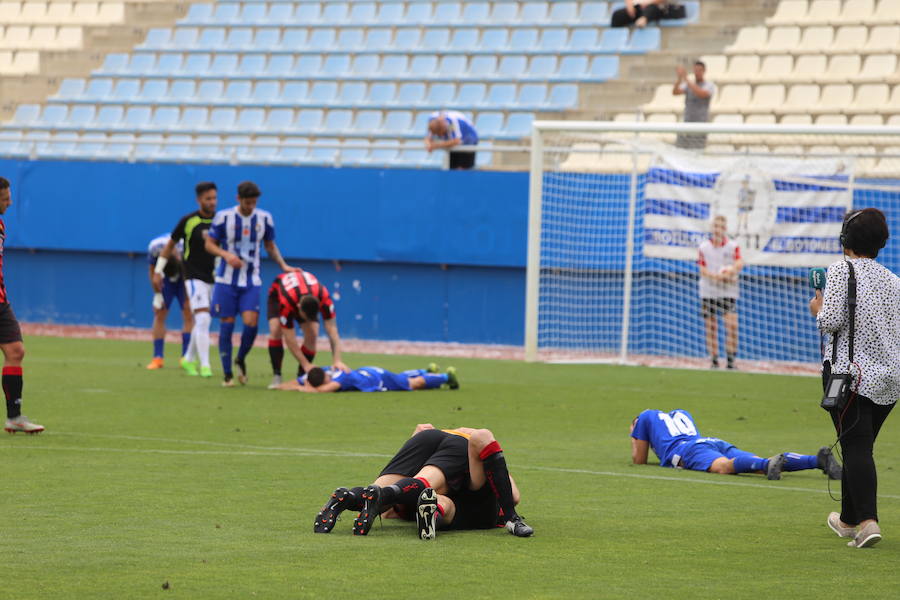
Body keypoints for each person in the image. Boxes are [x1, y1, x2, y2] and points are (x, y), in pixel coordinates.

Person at [809, 208, 900, 549]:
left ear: (845, 238)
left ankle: (867, 521)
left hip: (851, 376)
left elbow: (830, 320)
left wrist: (817, 309)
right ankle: (848, 519)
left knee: (857, 447)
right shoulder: (894, 280)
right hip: (890, 380)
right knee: (857, 446)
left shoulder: (840, 270)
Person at [313, 424, 533, 539]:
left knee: (383, 489)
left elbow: (389, 512)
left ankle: (350, 497)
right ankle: (513, 520)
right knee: (425, 485)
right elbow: (512, 495)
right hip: (461, 449)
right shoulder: (487, 503)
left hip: (429, 437)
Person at [205, 181, 298, 387]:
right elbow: (209, 244)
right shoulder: (224, 217)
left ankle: (241, 358)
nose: (250, 207)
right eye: (247, 203)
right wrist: (226, 255)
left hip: (251, 279)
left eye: (254, 203)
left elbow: (270, 245)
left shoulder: (264, 218)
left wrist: (283, 265)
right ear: (238, 199)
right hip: (226, 280)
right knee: (227, 324)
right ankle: (228, 374)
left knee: (251, 324)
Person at [630, 409, 842, 481]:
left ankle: (767, 466)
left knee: (723, 467)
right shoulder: (680, 413)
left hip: (688, 450)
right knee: (757, 462)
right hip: (711, 441)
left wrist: (634, 437)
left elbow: (639, 460)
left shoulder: (644, 417)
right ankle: (817, 460)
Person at [154, 182, 218, 378]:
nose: (212, 202)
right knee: (203, 318)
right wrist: (158, 271)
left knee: (203, 321)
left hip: (214, 278)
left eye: (215, 198)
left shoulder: (221, 221)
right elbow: (169, 245)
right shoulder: (188, 221)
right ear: (199, 200)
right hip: (192, 276)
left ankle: (188, 358)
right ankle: (205, 366)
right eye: (208, 199)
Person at [0, 177, 43, 434]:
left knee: (15, 350)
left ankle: (14, 417)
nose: (10, 202)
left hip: (1, 301)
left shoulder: (1, 224)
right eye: (5, 198)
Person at [265, 269, 348, 389]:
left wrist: (337, 360)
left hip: (305, 294)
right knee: (276, 330)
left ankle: (302, 375)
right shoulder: (287, 302)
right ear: (298, 308)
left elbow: (332, 330)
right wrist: (306, 364)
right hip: (278, 294)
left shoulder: (324, 297)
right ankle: (277, 375)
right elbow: (290, 339)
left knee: (313, 333)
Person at [698, 215, 742, 369]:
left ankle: (730, 361)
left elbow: (739, 262)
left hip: (727, 291)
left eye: (721, 227)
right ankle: (714, 360)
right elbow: (702, 268)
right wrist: (715, 276)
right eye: (715, 226)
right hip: (709, 290)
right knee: (711, 326)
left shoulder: (732, 246)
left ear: (725, 229)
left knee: (732, 325)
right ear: (712, 228)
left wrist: (728, 273)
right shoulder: (704, 247)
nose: (718, 230)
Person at [145, 233, 192, 370]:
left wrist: (188, 296)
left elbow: (189, 271)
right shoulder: (155, 247)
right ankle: (157, 357)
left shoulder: (186, 248)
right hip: (164, 279)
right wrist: (157, 294)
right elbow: (153, 272)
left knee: (188, 313)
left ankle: (186, 357)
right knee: (160, 313)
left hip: (185, 276)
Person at [277, 364, 459, 393]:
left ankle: (445, 376)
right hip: (367, 371)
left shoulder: (340, 378)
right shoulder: (325, 370)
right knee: (401, 377)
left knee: (413, 384)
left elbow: (324, 390)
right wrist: (278, 386)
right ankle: (425, 370)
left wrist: (303, 388)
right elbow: (296, 382)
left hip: (377, 379)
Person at [673, 60, 715, 150]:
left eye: (699, 70)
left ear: (704, 71)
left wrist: (686, 79)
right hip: (687, 123)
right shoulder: (689, 84)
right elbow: (675, 92)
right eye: (695, 70)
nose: (697, 73)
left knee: (697, 152)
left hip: (700, 124)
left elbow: (702, 94)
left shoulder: (709, 85)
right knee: (682, 152)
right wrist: (679, 78)